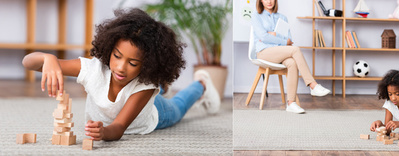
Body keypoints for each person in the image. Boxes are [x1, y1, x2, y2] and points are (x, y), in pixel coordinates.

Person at [21, 9, 221, 141]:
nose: (120, 68)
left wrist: (104, 132)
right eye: (116, 56)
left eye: (133, 63)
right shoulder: (94, 69)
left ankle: (201, 84)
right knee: (155, 88)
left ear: (148, 64)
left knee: (178, 107)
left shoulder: (144, 86)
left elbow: (118, 128)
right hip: (140, 89)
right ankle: (163, 88)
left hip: (154, 115)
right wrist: (48, 58)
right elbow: (28, 63)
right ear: (109, 48)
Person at [251, 0, 330, 114]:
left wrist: (273, 34)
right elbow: (263, 37)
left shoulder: (282, 17)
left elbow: (289, 40)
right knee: (295, 50)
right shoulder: (256, 16)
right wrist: (280, 39)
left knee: (292, 62)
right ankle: (313, 85)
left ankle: (291, 103)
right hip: (264, 52)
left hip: (279, 52)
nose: (269, 1)